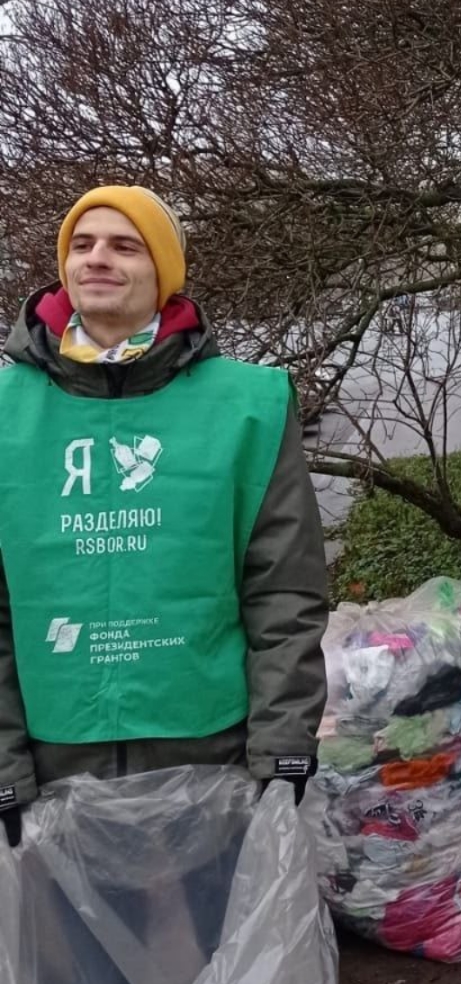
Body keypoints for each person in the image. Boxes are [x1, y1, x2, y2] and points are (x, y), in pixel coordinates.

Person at [0, 186, 330, 849]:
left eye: (125, 246)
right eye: (82, 244)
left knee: (206, 948)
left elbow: (283, 591)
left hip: (208, 749)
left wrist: (282, 745)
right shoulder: (7, 411)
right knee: (72, 951)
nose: (97, 259)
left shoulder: (247, 405)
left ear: (164, 272)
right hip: (54, 753)